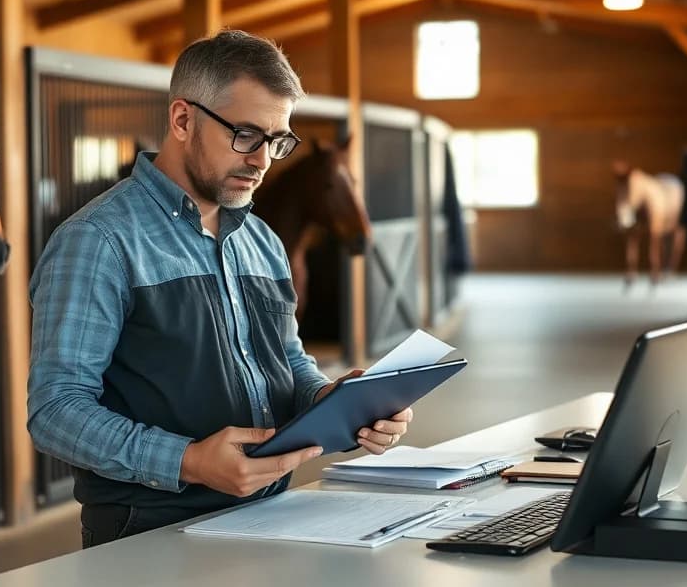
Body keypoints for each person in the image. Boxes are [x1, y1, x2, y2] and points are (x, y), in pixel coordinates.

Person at [27, 29, 412, 548]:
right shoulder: (97, 241)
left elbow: (287, 360)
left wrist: (331, 400)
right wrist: (188, 462)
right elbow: (55, 411)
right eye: (246, 134)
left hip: (273, 512)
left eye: (276, 141)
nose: (262, 160)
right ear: (182, 119)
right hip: (150, 530)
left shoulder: (262, 239)